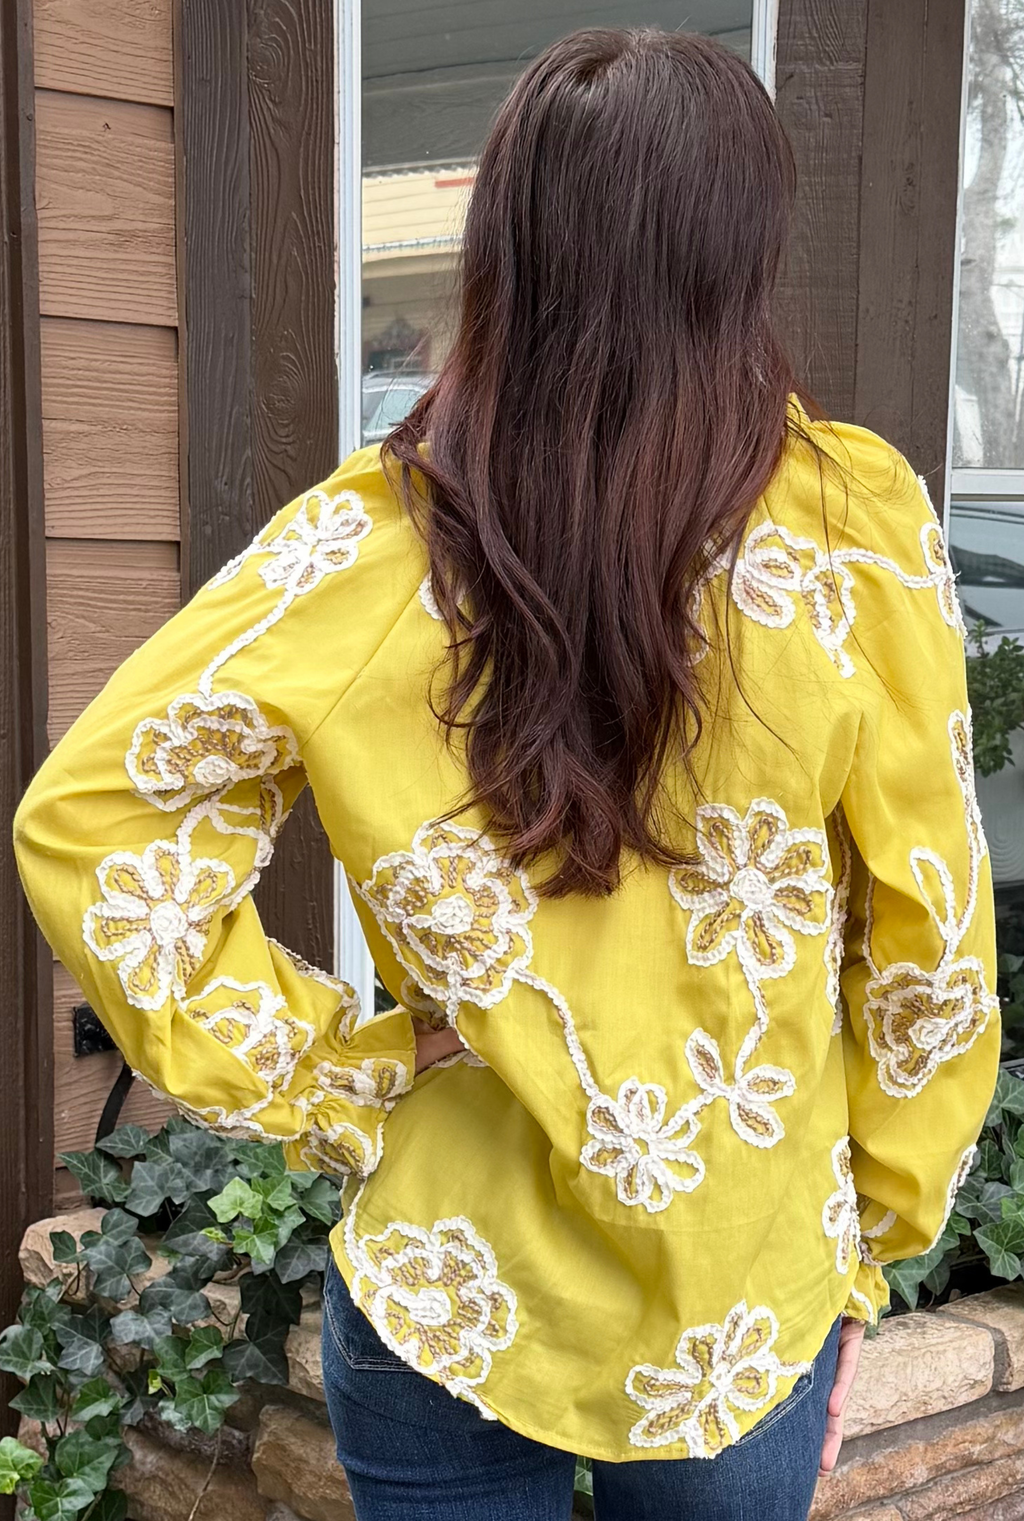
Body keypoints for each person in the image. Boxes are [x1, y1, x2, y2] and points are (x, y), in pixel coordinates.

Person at [14, 25, 999, 1521]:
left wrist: (330, 1069)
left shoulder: (372, 548)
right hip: (739, 1299)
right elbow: (930, 933)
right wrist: (875, 1227)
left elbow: (96, 825)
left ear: (503, 252)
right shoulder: (853, 532)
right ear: (744, 255)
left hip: (449, 1290)